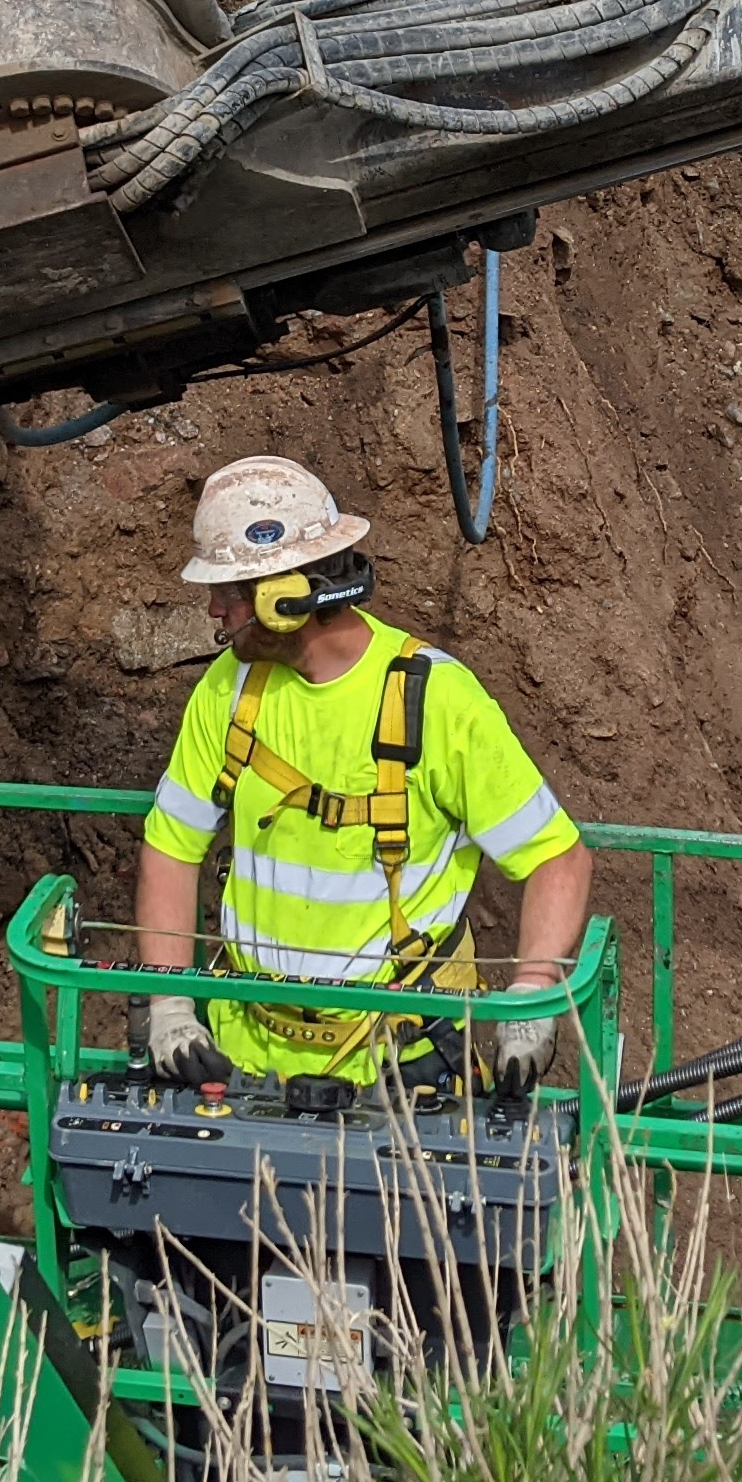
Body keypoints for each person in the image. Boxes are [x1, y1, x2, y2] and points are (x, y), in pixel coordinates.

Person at [136, 456, 590, 1094]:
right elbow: (171, 847)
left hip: (399, 1072)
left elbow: (557, 860)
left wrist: (531, 995)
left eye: (228, 592)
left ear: (284, 598)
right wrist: (169, 1006)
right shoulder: (230, 690)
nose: (214, 608)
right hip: (244, 1062)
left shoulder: (435, 699)